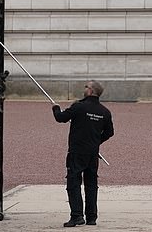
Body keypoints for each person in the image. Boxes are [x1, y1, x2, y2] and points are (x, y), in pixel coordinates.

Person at [52, 80, 115, 227]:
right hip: (92, 153)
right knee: (91, 185)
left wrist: (55, 108)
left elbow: (60, 118)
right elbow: (110, 132)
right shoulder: (104, 111)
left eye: (87, 87)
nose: (84, 89)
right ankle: (91, 217)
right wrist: (96, 141)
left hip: (77, 152)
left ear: (92, 91)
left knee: (73, 183)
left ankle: (77, 216)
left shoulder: (79, 107)